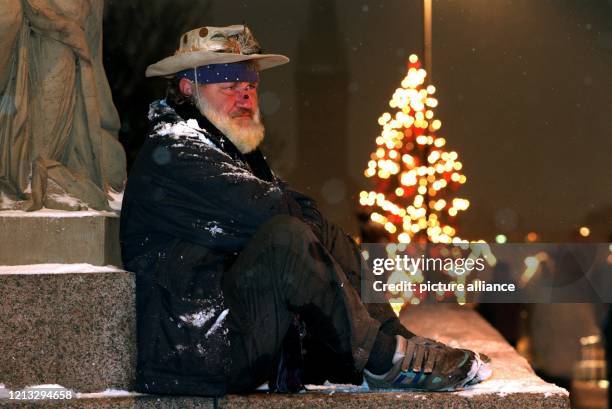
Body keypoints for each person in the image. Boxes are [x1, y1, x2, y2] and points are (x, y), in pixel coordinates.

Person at [120, 24, 490, 397]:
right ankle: (382, 358)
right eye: (229, 87)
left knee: (325, 233)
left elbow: (297, 210)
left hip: (234, 332)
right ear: (188, 88)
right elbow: (272, 214)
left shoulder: (227, 148)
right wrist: (296, 213)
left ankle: (397, 345)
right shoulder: (176, 153)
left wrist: (301, 215)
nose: (245, 97)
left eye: (250, 86)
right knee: (288, 237)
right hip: (196, 352)